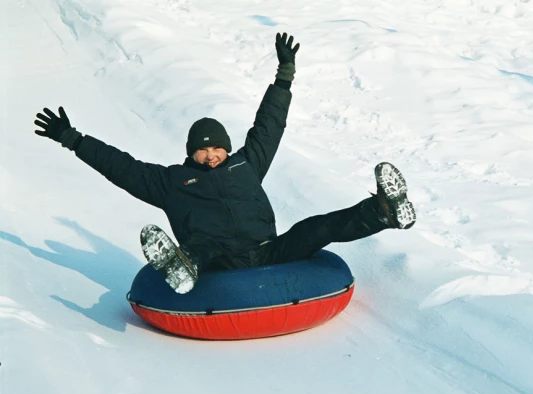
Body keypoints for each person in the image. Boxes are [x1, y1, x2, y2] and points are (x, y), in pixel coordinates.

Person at [34, 33, 416, 294]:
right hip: (219, 262)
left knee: (317, 228)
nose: (211, 154)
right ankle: (182, 267)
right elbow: (123, 167)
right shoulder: (173, 182)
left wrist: (284, 77)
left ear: (226, 148)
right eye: (203, 150)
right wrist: (73, 140)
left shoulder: (245, 165)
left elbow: (268, 127)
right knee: (201, 250)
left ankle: (382, 211)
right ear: (191, 153)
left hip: (267, 251)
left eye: (217, 147)